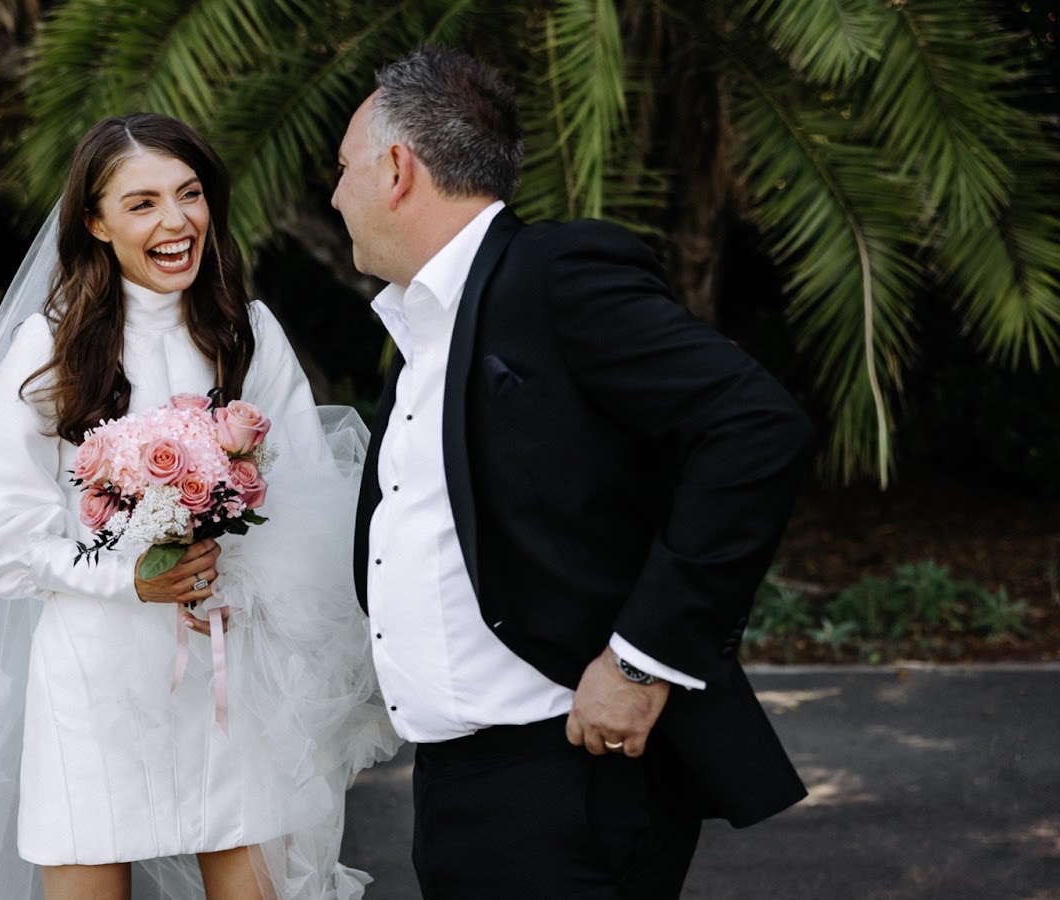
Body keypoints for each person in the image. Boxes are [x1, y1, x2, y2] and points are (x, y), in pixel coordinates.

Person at [0, 113, 396, 900]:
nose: (176, 221)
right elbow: (3, 537)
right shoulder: (49, 350)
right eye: (142, 204)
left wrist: (238, 577)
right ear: (95, 223)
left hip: (229, 676)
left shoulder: (249, 335)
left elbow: (307, 502)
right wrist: (129, 576)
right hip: (96, 679)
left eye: (190, 194)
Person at [333, 46, 815, 898]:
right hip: (457, 785)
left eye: (343, 170)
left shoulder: (554, 274)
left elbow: (756, 426)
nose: (335, 197)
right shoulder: (422, 328)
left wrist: (641, 662)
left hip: (567, 777)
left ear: (398, 169)